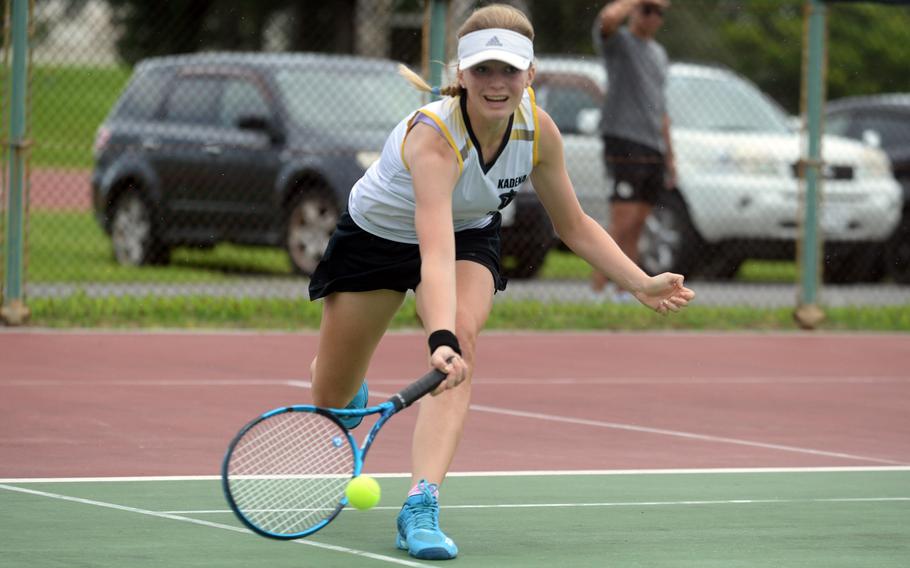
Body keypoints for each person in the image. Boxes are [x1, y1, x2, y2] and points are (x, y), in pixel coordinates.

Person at [307, 3, 694, 560]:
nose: (496, 83)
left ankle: (421, 503)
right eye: (483, 70)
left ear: (529, 74)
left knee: (461, 347)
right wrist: (436, 336)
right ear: (461, 75)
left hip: (468, 235)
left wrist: (639, 281)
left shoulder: (538, 130)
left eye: (509, 70)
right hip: (377, 239)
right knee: (331, 395)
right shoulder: (434, 139)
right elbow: (431, 255)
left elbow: (576, 225)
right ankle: (345, 394)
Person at [591, 0, 676, 302]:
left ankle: (624, 289)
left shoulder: (659, 54)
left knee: (638, 224)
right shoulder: (620, 43)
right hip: (623, 140)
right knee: (622, 221)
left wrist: (670, 154)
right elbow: (608, 19)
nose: (653, 16)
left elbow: (661, 107)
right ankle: (598, 291)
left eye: (658, 12)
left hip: (652, 145)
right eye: (647, 9)